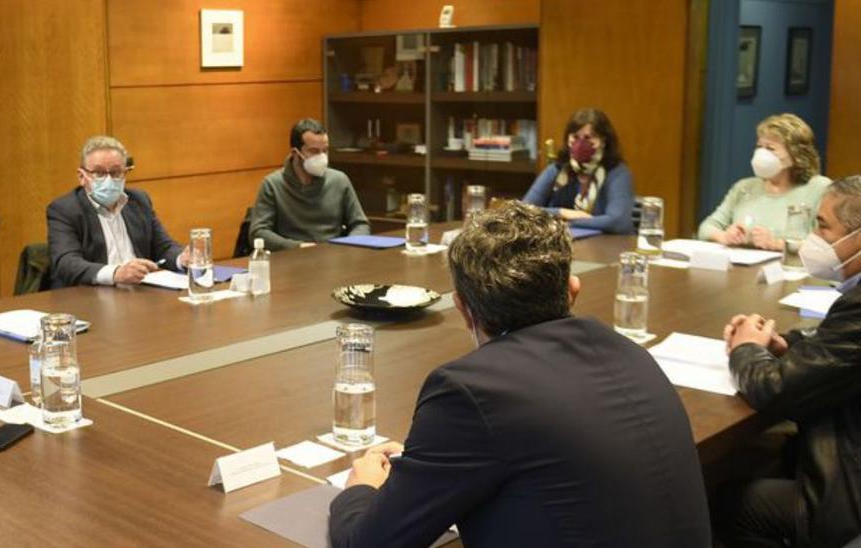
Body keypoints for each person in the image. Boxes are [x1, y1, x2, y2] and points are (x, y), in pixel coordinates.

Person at [328, 201, 710, 547]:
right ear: (572, 290)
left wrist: (360, 489)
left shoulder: (471, 392)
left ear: (463, 309)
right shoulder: (631, 352)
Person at [717, 176, 861, 547]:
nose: (814, 237)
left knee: (719, 499)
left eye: (823, 225)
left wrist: (746, 349)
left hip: (847, 501)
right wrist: (787, 345)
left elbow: (774, 389)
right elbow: (839, 350)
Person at [47, 135, 187, 288]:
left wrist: (183, 258)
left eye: (115, 172)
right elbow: (66, 263)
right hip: (89, 297)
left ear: (125, 173)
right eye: (99, 173)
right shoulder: (64, 209)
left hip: (140, 293)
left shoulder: (139, 201)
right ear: (82, 176)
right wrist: (116, 273)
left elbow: (163, 248)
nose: (108, 180)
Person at [698, 113, 831, 250]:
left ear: (795, 155)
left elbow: (826, 245)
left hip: (790, 268)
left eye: (770, 148)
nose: (761, 153)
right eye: (759, 146)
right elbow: (706, 228)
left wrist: (776, 244)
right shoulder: (744, 187)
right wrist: (725, 236)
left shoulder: (819, 188)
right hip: (743, 267)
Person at [249, 118, 370, 251]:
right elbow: (258, 233)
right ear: (295, 153)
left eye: (325, 150)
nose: (322, 157)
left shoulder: (339, 180)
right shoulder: (272, 184)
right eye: (314, 151)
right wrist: (297, 246)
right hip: (290, 259)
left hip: (333, 257)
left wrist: (346, 247)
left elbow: (360, 224)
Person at [522, 108, 635, 234]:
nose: (581, 143)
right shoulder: (558, 169)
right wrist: (562, 213)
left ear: (603, 141)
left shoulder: (617, 172)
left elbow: (619, 222)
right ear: (567, 139)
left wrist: (567, 221)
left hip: (606, 248)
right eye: (575, 137)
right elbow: (524, 210)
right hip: (564, 246)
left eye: (588, 138)